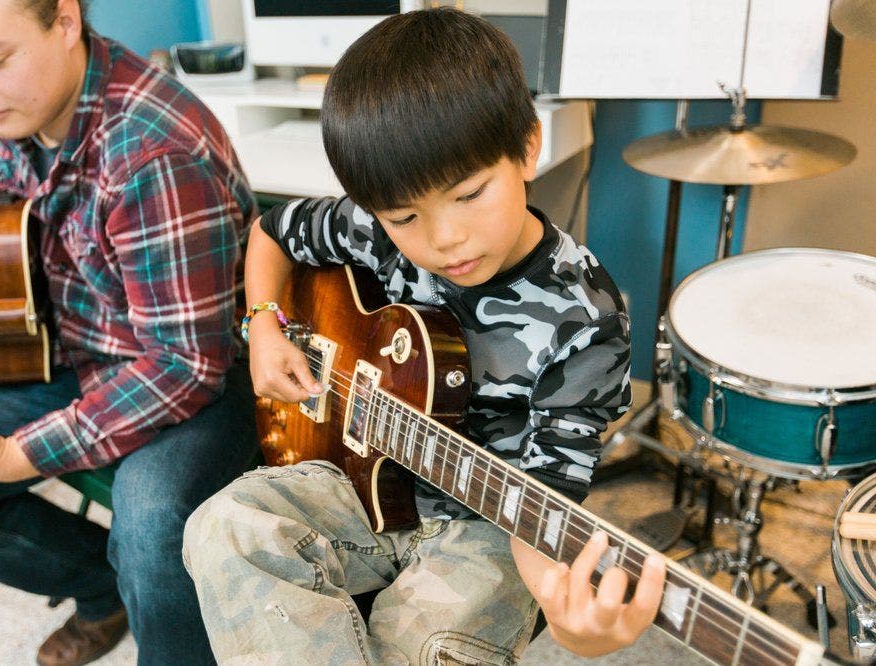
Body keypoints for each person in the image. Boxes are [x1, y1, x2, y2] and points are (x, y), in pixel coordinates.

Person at [182, 8, 666, 664]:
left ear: (527, 147)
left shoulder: (586, 323)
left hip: (487, 529)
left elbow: (544, 505)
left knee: (424, 649)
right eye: (405, 217)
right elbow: (271, 232)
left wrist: (563, 605)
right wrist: (263, 323)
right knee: (224, 526)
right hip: (356, 481)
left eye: (470, 195)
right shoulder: (371, 228)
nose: (444, 239)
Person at [0, 0, 258, 664]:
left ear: (65, 20)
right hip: (67, 339)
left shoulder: (153, 154)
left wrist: (12, 457)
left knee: (153, 534)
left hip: (190, 371)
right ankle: (104, 589)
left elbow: (184, 367)